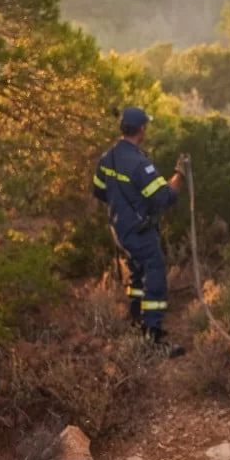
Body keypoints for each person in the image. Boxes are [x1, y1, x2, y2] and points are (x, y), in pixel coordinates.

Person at [92, 107, 190, 357]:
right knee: (155, 277)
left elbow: (99, 190)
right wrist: (179, 174)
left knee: (137, 273)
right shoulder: (139, 164)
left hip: (119, 230)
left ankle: (136, 319)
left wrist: (122, 207)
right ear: (141, 129)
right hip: (139, 232)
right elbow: (164, 197)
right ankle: (152, 337)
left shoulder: (108, 157)